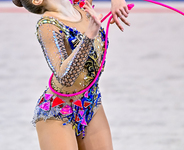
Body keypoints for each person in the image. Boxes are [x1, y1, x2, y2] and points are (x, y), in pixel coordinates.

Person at [12, 0, 130, 149]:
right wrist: (89, 36)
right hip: (57, 111)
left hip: (90, 103)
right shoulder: (47, 24)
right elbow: (65, 77)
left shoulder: (82, 5)